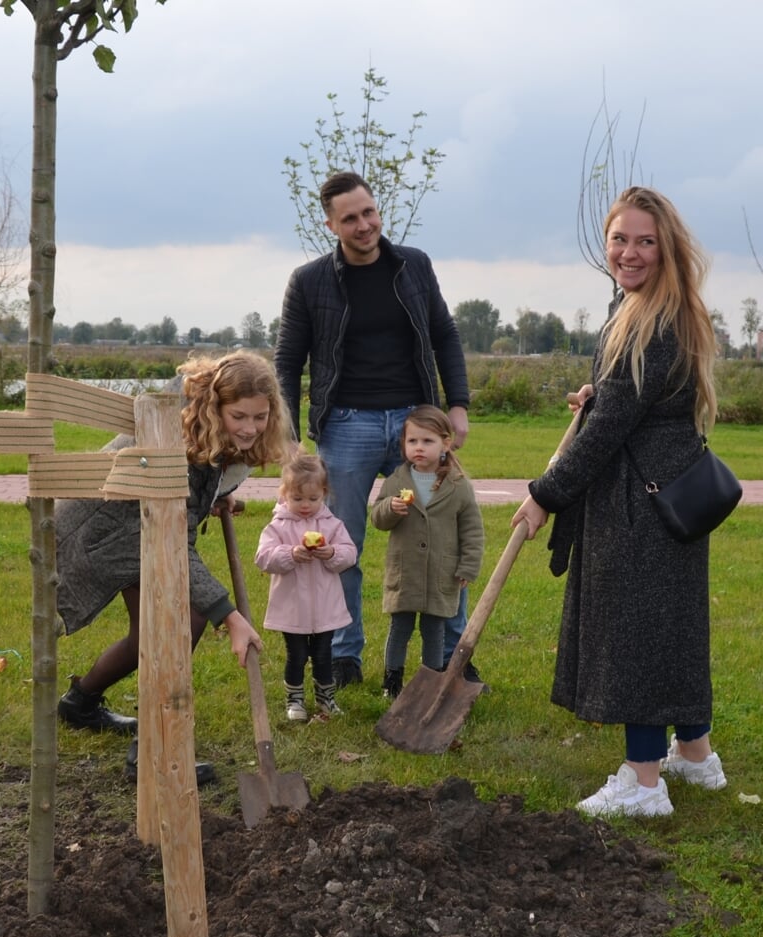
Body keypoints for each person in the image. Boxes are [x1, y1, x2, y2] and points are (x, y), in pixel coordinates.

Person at [510, 187, 728, 818]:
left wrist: (544, 495)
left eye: (644, 241)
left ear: (666, 249)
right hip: (666, 495)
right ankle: (693, 756)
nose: (629, 252)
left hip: (642, 503)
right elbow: (628, 402)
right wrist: (602, 392)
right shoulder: (650, 309)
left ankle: (643, 783)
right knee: (672, 627)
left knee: (637, 634)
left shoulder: (654, 322)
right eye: (619, 239)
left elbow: (609, 432)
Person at [274, 169, 478, 689]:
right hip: (346, 426)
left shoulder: (414, 265)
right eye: (350, 218)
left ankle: (452, 656)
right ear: (331, 225)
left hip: (417, 420)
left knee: (442, 538)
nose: (364, 225)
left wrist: (456, 405)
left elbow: (444, 334)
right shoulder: (309, 281)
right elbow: (287, 360)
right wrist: (289, 436)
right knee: (341, 544)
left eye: (369, 212)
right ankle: (344, 656)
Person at [53, 351, 294, 784]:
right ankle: (150, 752)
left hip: (132, 527)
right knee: (185, 617)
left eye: (260, 417)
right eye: (239, 415)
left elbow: (191, 496)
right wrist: (231, 617)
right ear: (214, 407)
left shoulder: (210, 437)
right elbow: (177, 546)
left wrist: (217, 495)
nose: (250, 427)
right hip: (101, 532)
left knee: (158, 629)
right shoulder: (178, 443)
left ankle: (81, 703)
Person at [368, 406, 483, 697]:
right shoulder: (397, 480)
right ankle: (391, 682)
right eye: (412, 441)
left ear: (445, 444)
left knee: (434, 631)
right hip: (405, 572)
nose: (419, 448)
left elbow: (472, 529)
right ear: (404, 444)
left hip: (441, 572)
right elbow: (378, 518)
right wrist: (389, 508)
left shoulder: (457, 485)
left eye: (427, 441)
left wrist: (468, 567)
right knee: (400, 628)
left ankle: (430, 683)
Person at [254, 452, 358, 721]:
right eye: (297, 498)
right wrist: (290, 554)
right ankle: (295, 700)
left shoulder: (332, 524)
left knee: (324, 655)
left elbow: (350, 553)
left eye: (313, 499)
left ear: (324, 493)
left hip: (325, 607)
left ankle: (326, 699)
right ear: (284, 493)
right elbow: (263, 558)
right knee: (297, 655)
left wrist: (331, 553)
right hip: (292, 608)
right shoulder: (278, 526)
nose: (305, 505)